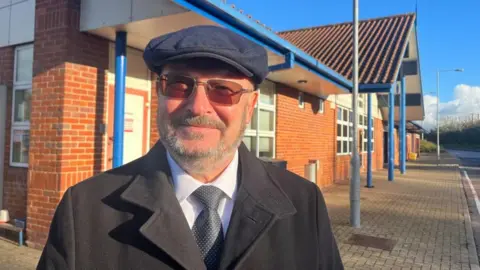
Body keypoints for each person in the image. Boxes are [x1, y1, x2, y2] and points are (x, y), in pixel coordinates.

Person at [37, 25, 343, 270]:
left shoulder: (304, 203)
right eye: (178, 85)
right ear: (159, 93)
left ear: (250, 109)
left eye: (223, 90)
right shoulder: (85, 209)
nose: (197, 106)